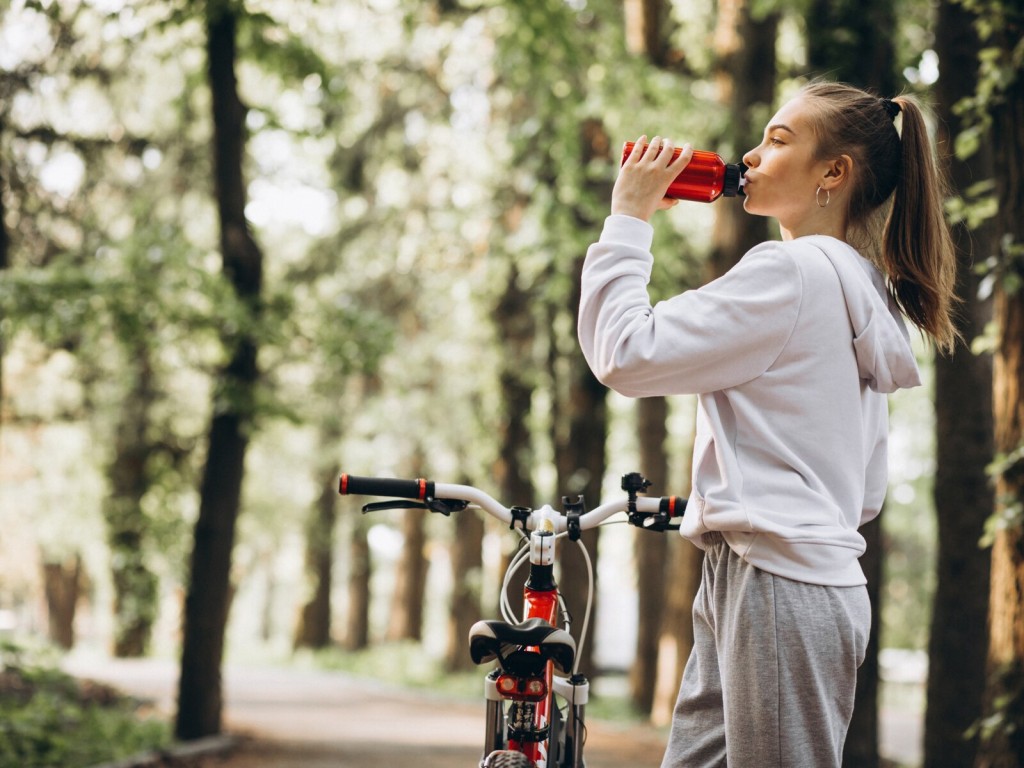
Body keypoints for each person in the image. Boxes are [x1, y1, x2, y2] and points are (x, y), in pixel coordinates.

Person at [577, 81, 958, 767]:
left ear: (833, 174)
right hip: (769, 572)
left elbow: (624, 353)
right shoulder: (861, 289)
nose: (751, 155)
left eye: (779, 140)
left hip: (778, 582)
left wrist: (630, 218)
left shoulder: (790, 274)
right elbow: (865, 491)